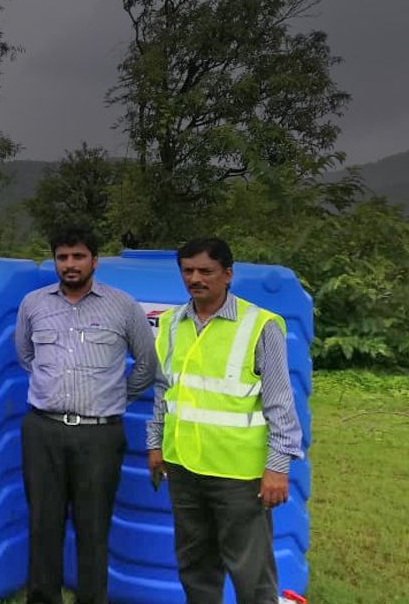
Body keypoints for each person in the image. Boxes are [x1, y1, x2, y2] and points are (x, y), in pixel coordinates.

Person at [147, 238, 303, 604]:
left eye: (206, 271)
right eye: (188, 271)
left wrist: (277, 468)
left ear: (228, 274)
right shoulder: (170, 323)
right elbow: (164, 390)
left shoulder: (260, 325)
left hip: (238, 475)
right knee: (194, 565)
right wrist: (155, 444)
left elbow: (281, 403)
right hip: (183, 466)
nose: (195, 279)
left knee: (251, 571)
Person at [14, 226, 157, 604]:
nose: (70, 264)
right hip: (42, 430)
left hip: (99, 435)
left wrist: (112, 398)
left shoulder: (123, 306)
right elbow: (26, 356)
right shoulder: (33, 304)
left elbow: (147, 365)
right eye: (62, 257)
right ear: (54, 261)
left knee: (93, 527)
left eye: (78, 256)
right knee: (43, 524)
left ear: (95, 260)